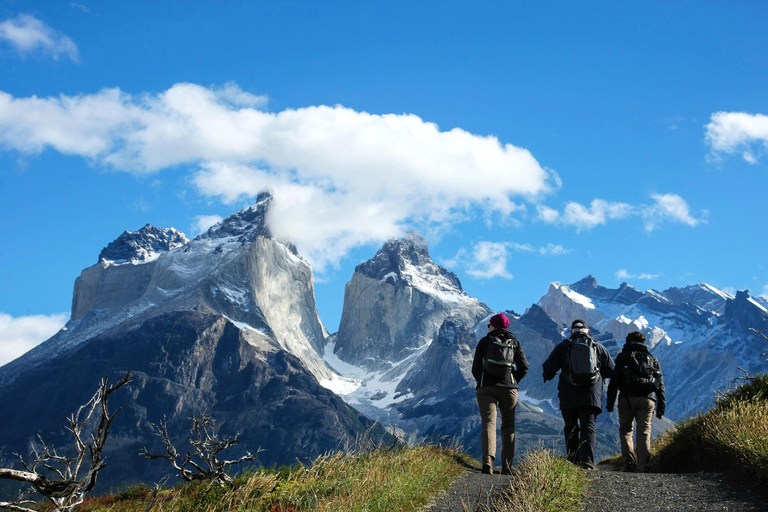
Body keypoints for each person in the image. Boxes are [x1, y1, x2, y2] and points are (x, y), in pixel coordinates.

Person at [542, 319, 615, 469]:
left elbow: (548, 369)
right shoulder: (598, 347)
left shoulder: (563, 347)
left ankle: (572, 462)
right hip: (591, 395)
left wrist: (549, 375)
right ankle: (587, 463)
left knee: (571, 427)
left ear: (571, 332)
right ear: (588, 332)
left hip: (568, 394)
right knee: (589, 427)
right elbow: (611, 370)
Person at [472, 312, 529, 475]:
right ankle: (507, 466)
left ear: (494, 326)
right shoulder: (515, 343)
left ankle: (488, 461)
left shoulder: (485, 341)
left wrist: (483, 381)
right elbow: (524, 366)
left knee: (489, 421)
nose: (488, 327)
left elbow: (475, 367)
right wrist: (513, 380)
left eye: (489, 325)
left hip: (486, 387)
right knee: (508, 425)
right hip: (509, 388)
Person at [606, 331, 666, 473]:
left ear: (628, 342)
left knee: (626, 430)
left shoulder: (623, 357)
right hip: (647, 399)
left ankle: (629, 463)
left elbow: (614, 382)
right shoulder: (652, 358)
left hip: (626, 399)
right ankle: (644, 465)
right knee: (644, 432)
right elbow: (660, 384)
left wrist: (610, 403)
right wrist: (661, 406)